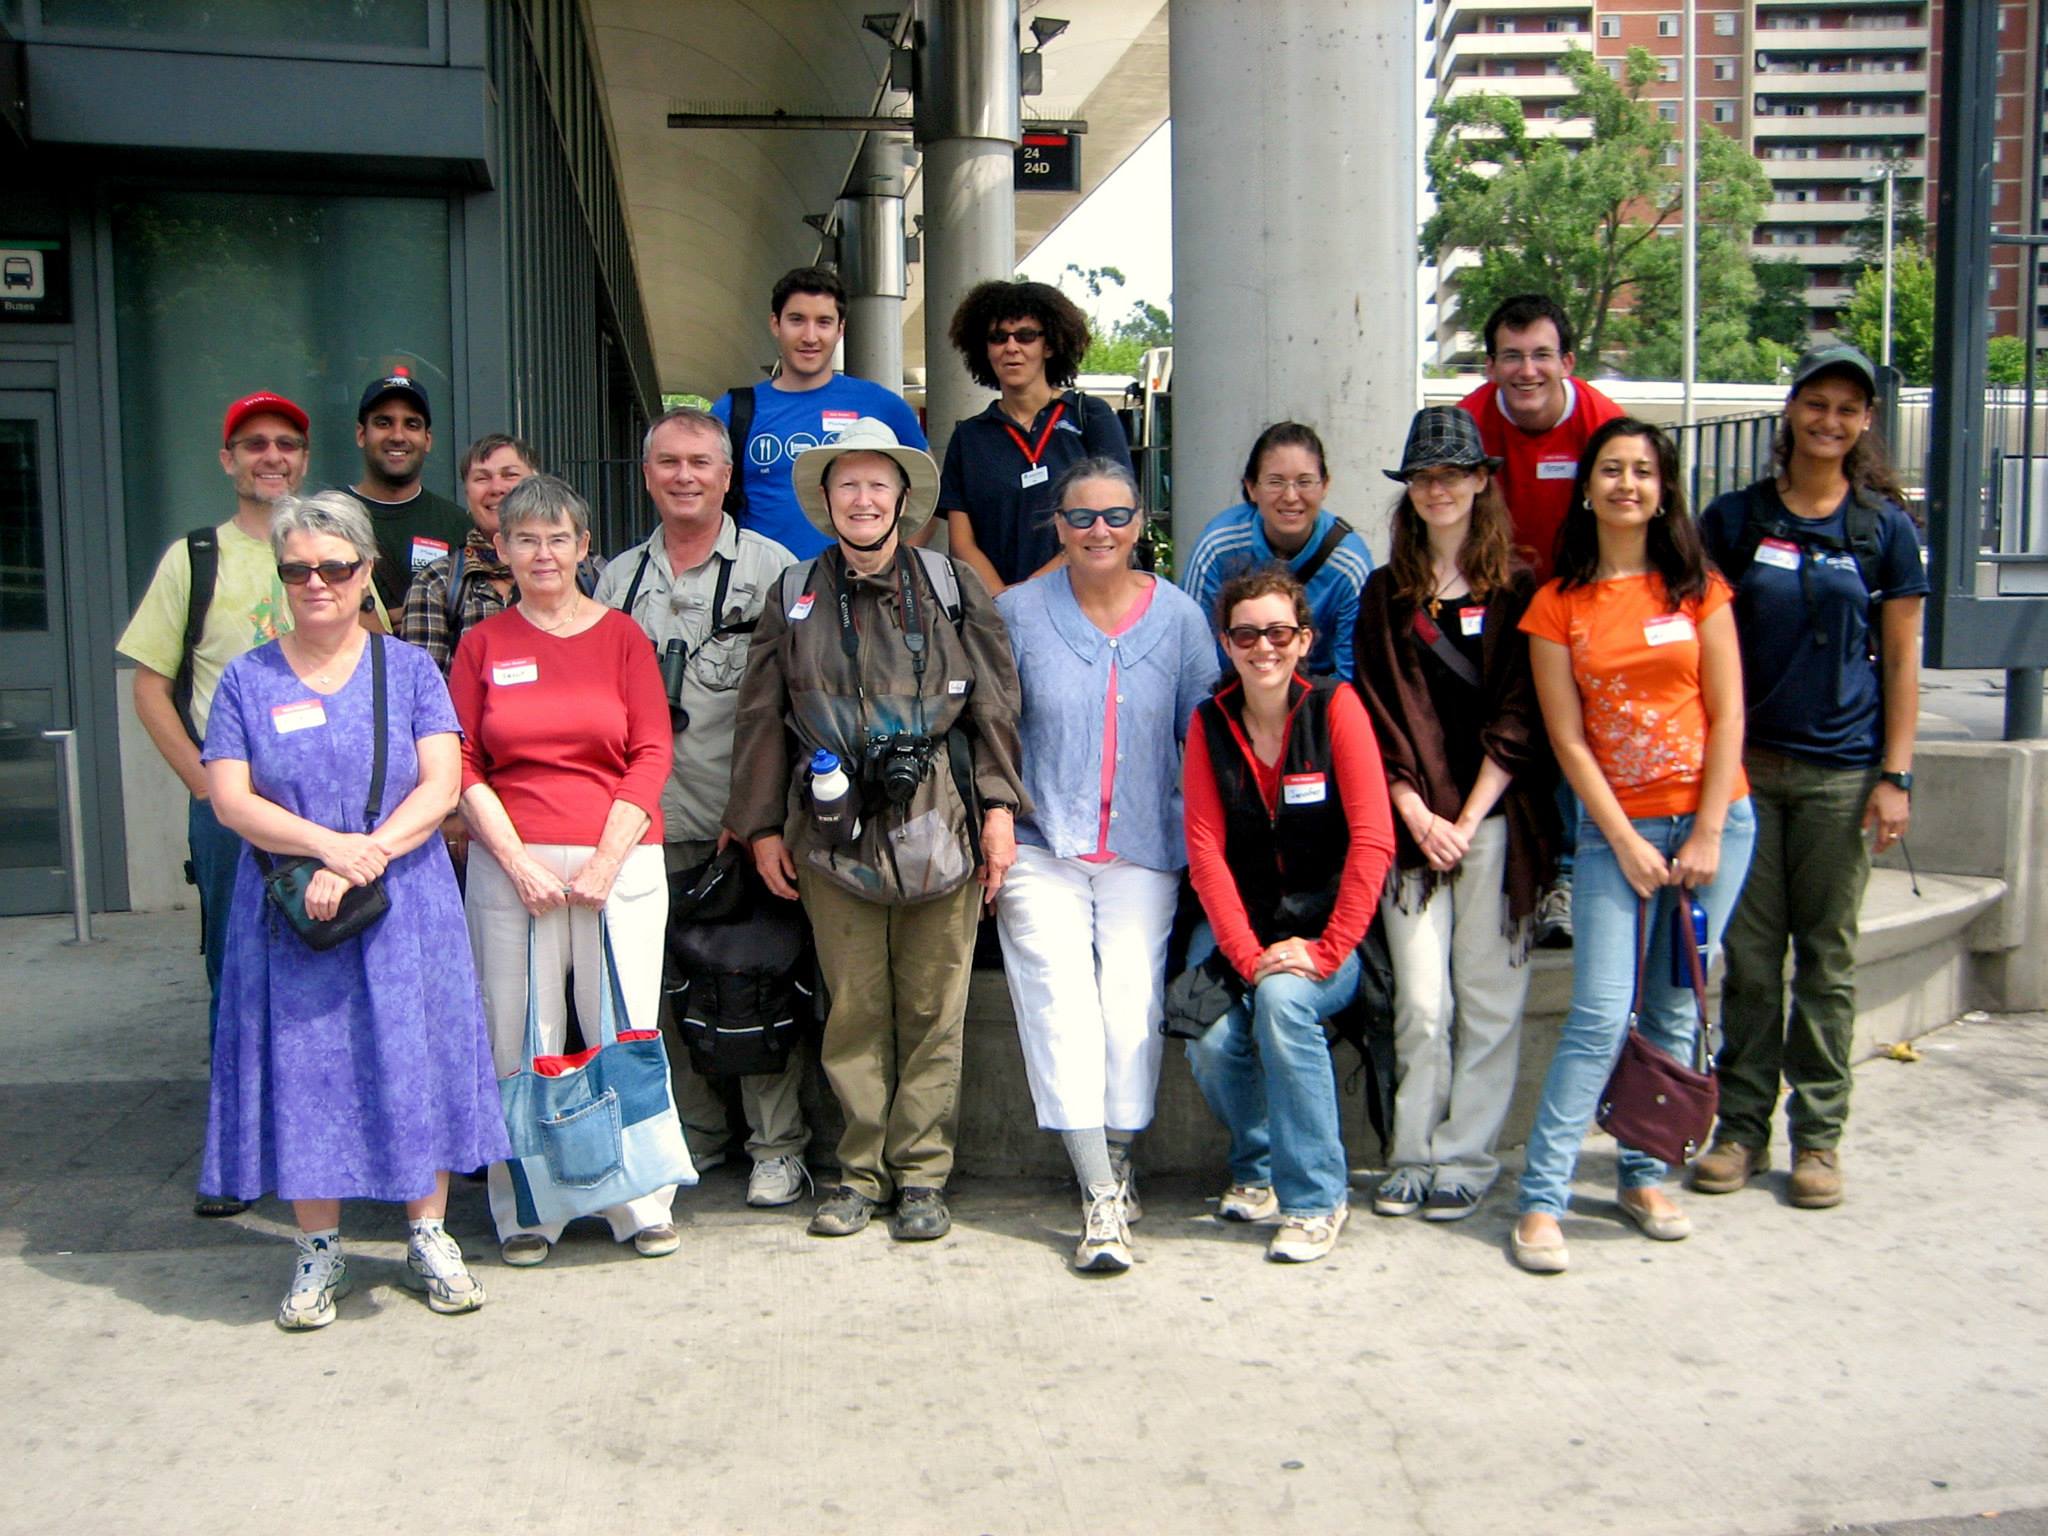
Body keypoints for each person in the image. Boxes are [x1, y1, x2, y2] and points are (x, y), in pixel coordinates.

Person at [196, 490, 509, 1330]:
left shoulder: (407, 670)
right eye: (298, 569)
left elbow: (442, 782)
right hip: (295, 909)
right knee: (310, 1073)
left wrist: (366, 852)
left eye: (335, 567)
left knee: (414, 1058)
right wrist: (328, 849)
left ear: (366, 570)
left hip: (403, 899)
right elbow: (230, 799)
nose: (317, 583)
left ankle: (428, 1232)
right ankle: (319, 1247)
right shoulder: (246, 679)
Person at [729, 418, 1027, 1242]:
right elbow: (760, 716)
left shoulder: (953, 586)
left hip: (942, 823)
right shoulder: (793, 593)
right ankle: (859, 1174)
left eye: (878, 483)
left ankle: (923, 1177)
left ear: (904, 497)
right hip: (832, 833)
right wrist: (759, 827)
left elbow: (997, 709)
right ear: (826, 499)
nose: (863, 498)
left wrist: (998, 813)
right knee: (854, 1010)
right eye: (847, 484)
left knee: (936, 1010)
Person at [1511, 418, 1757, 1276]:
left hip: (1711, 829)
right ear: (1587, 487)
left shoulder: (1700, 590)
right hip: (1615, 833)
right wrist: (1622, 840)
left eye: (1643, 472)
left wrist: (1709, 833)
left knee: (1676, 1011)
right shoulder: (1559, 604)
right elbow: (1568, 742)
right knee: (1597, 1016)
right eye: (1611, 469)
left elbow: (1728, 714)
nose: (1627, 484)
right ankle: (1542, 1197)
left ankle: (1645, 1175)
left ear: (1664, 489)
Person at [1693, 345, 1927, 1210]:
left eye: (1848, 409)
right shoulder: (1735, 521)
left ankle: (1819, 1137)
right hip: (1746, 772)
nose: (1830, 421)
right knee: (1751, 959)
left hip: (1842, 773)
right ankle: (1742, 1127)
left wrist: (1895, 774)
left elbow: (1902, 662)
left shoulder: (1883, 530)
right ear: (1790, 410)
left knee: (1825, 961)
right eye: (1816, 404)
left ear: (1865, 423)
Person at [448, 473, 685, 1266]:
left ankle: (640, 1200)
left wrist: (606, 861)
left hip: (619, 862)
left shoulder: (623, 638)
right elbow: (462, 761)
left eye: (558, 538)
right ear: (501, 550)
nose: (542, 553)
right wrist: (515, 862)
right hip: (511, 870)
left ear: (585, 548)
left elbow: (652, 750)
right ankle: (528, 1208)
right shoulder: (483, 647)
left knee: (627, 1030)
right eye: (524, 538)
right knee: (518, 1036)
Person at [993, 457, 1219, 1273]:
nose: (1100, 533)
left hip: (1143, 847)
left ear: (1140, 524)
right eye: (1082, 518)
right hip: (1039, 842)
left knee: (1128, 1005)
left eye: (1117, 517)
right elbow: (989, 729)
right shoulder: (1016, 612)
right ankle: (1097, 1193)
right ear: (1057, 525)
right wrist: (994, 823)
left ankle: (1121, 1158)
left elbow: (1205, 737)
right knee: (1059, 1000)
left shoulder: (1183, 619)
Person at [116, 390, 338, 1219]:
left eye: (285, 444)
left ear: (304, 460)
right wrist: (208, 786)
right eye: (253, 445)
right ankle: (239, 1159)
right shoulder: (196, 556)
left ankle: (321, 1143)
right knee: (235, 978)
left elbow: (374, 654)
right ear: (228, 459)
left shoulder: (328, 545)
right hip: (232, 815)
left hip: (326, 811)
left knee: (325, 968)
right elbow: (149, 688)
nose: (270, 457)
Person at [595, 406, 807, 1207]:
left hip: (740, 827)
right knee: (655, 995)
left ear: (726, 476)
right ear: (647, 475)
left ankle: (777, 1146)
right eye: (668, 463)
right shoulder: (619, 580)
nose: (684, 476)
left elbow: (797, 702)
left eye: (700, 463)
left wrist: (760, 816)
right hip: (643, 827)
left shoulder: (773, 569)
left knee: (753, 985)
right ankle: (695, 1137)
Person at [1354, 406, 1554, 1223]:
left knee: (1489, 1000)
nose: (1438, 489)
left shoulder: (1520, 587)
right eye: (1424, 477)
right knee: (1423, 1004)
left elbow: (1522, 713)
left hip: (1496, 824)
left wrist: (1466, 821)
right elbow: (1377, 716)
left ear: (1480, 481)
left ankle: (1465, 1156)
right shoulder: (1383, 593)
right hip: (1413, 835)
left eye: (1452, 473)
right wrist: (1418, 815)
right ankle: (1409, 1150)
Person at [1182, 566, 1396, 1264]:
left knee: (1282, 1001)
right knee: (1210, 1036)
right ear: (1226, 642)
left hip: (1329, 928)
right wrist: (1245, 956)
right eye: (1246, 633)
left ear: (1304, 639)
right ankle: (1259, 1167)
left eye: (1279, 631)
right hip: (1243, 926)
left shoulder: (1337, 709)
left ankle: (1316, 1198)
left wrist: (1329, 950)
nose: (1263, 646)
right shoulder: (1209, 723)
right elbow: (1206, 850)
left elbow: (1373, 840)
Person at [1459, 294, 1625, 946]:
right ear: (1491, 364)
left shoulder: (1602, 424)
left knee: (1577, 739)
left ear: (1568, 362)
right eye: (1511, 357)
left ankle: (1572, 874)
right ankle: (1509, 861)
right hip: (1494, 608)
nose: (1526, 371)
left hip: (1582, 603)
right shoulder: (1468, 424)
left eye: (1540, 356)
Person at [712, 265, 928, 561]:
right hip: (761, 592)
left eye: (823, 322)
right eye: (797, 320)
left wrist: (895, 566)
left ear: (840, 329)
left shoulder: (883, 406)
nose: (810, 336)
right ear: (775, 324)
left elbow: (928, 493)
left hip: (858, 593)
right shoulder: (733, 411)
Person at [937, 278, 1134, 594]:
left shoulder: (1091, 416)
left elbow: (1115, 515)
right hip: (997, 615)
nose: (1011, 347)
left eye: (1026, 336)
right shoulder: (970, 437)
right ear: (984, 349)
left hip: (1086, 602)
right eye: (998, 338)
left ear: (1050, 345)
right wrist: (1006, 604)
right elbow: (962, 542)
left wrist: (1033, 594)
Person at [1180, 421, 1375, 680]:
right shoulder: (1218, 546)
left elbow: (1354, 671)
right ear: (1251, 488)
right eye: (1276, 482)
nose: (1291, 496)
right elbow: (1193, 648)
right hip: (1236, 694)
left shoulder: (1350, 563)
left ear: (1325, 486)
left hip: (1317, 700)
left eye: (1305, 482)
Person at [400, 433, 540, 674]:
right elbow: (426, 697)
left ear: (538, 484)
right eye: (482, 478)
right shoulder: (436, 584)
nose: (497, 488)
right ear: (466, 494)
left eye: (510, 475)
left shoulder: (581, 572)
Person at [340, 370, 469, 613]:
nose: (398, 436)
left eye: (411, 424)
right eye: (383, 423)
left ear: (427, 439)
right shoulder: (327, 517)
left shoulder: (457, 524)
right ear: (361, 434)